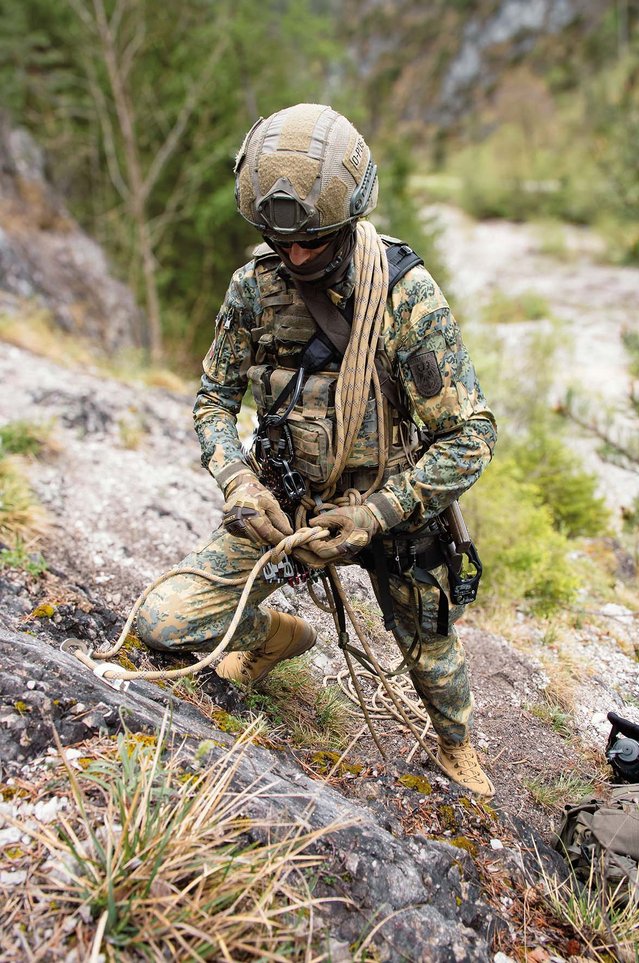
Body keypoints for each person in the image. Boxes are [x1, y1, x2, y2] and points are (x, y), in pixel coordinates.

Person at [136, 103, 497, 796]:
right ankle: (275, 636)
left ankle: (457, 748)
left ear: (347, 218)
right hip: (285, 507)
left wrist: (377, 513)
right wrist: (239, 482)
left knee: (434, 656)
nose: (296, 256)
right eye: (282, 242)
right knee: (164, 621)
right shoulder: (254, 287)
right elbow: (215, 400)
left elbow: (471, 436)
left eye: (314, 241)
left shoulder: (402, 296)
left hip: (392, 515)